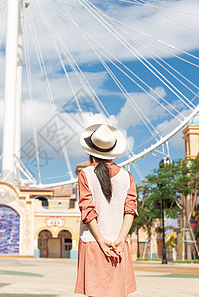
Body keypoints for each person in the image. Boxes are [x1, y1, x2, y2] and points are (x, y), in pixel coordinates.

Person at [75, 124, 138, 297]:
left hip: (93, 243)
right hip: (118, 245)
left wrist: (101, 241)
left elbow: (88, 211)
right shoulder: (128, 177)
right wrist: (120, 239)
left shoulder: (85, 174)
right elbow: (130, 212)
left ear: (92, 150)